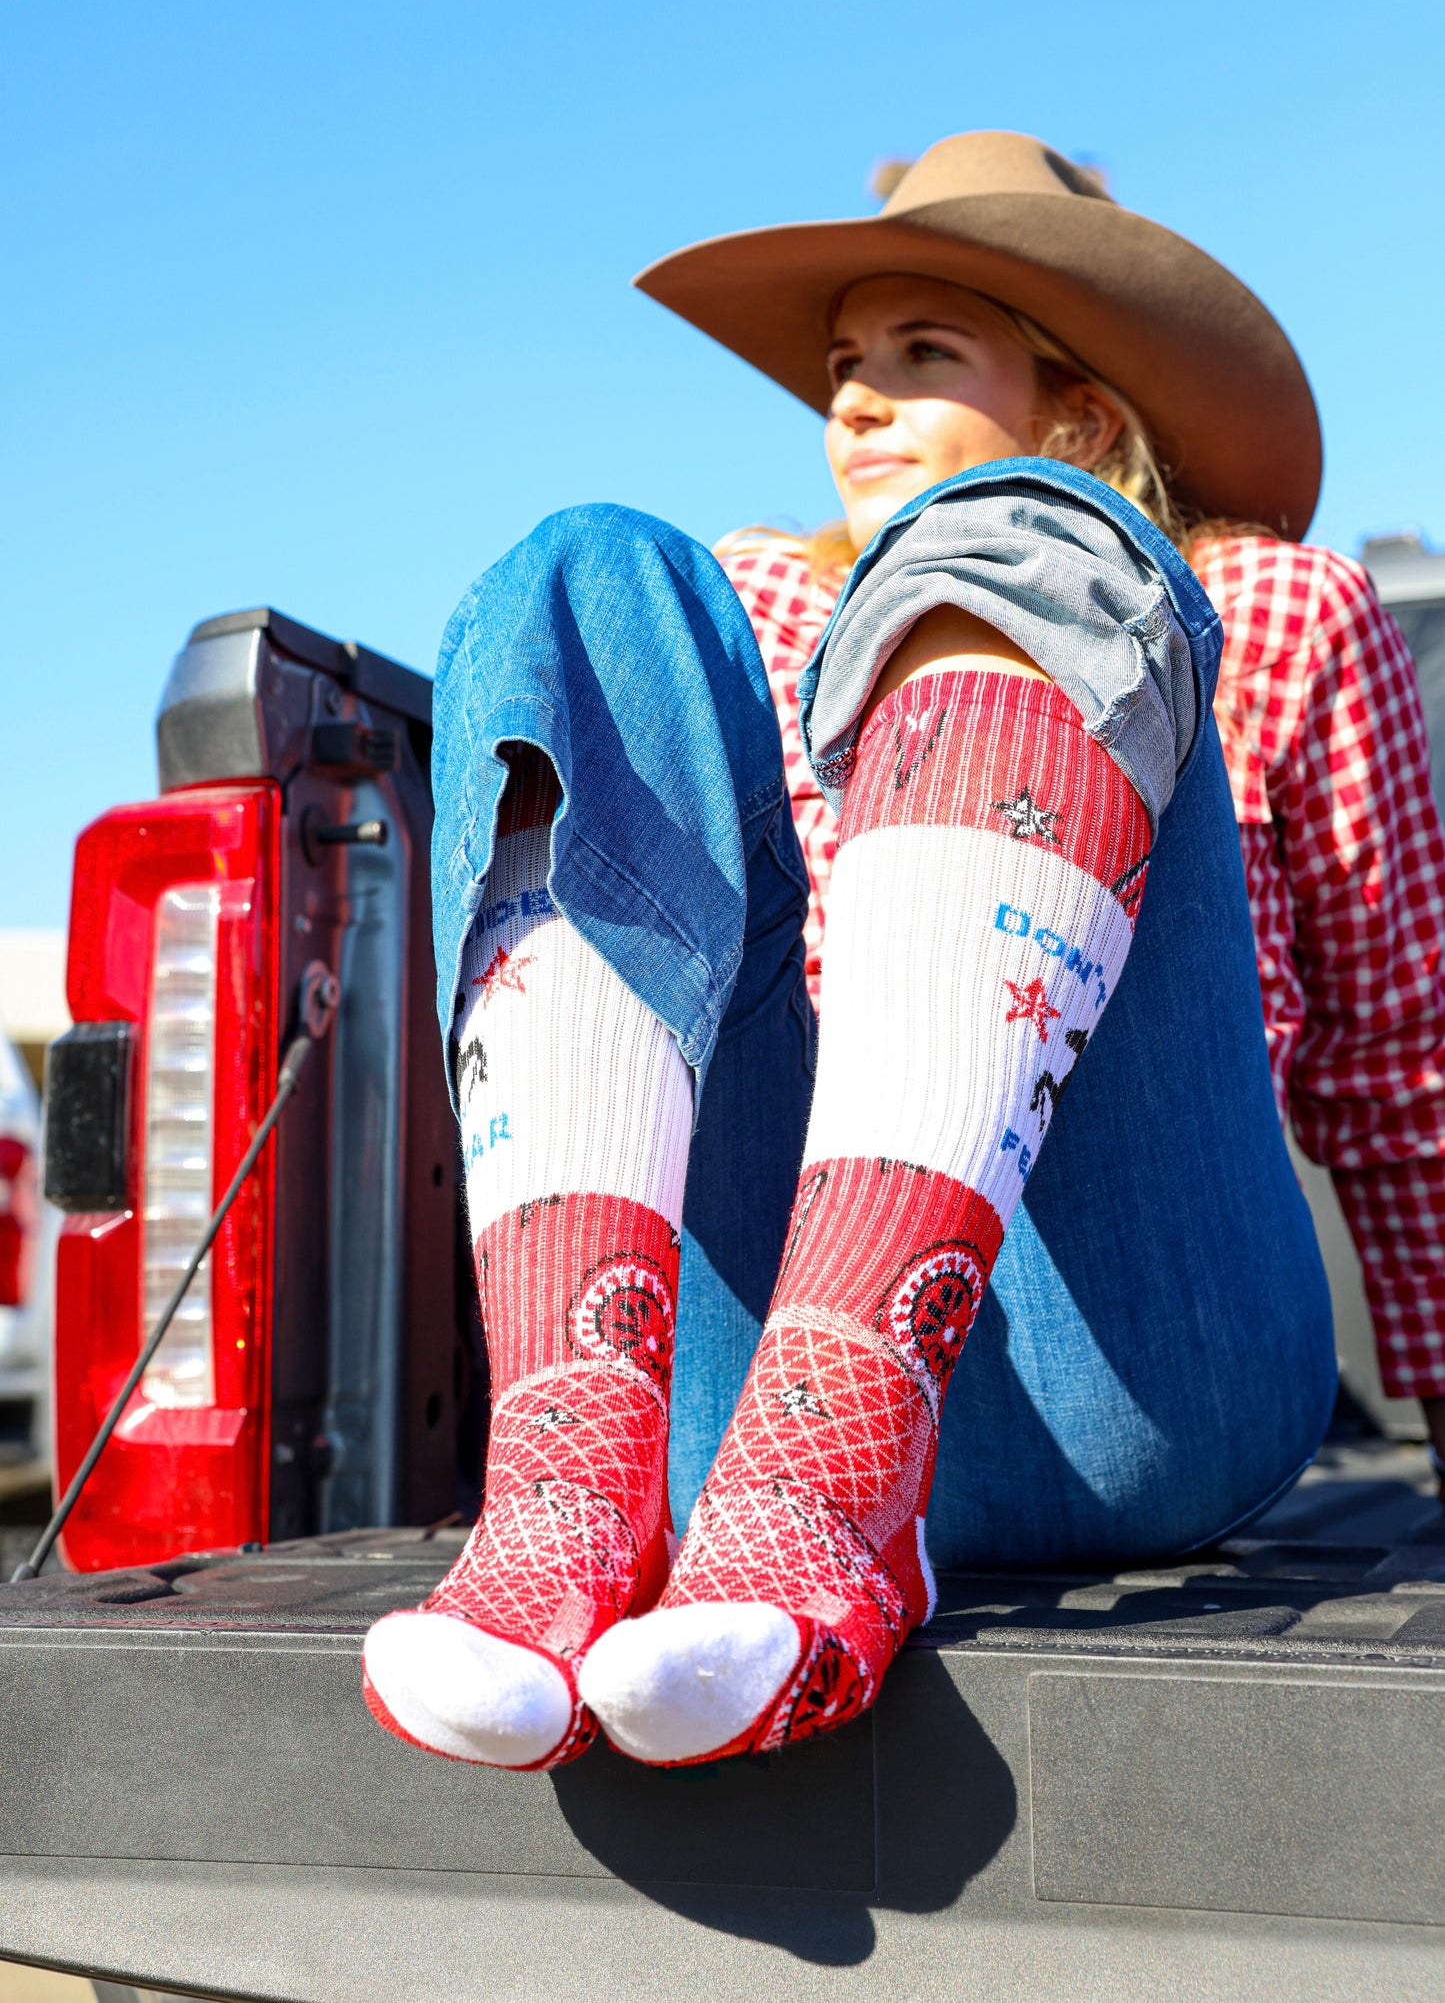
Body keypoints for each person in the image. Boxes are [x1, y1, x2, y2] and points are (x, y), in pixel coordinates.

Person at [361, 132, 1341, 1775]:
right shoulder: (738, 606)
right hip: (713, 1436)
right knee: (579, 570)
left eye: (921, 352)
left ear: (1088, 405)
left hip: (1138, 1371)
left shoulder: (1289, 605)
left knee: (1021, 541)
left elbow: (1401, 1065)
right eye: (840, 367)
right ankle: (567, 1481)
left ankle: (844, 1459)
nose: (854, 405)